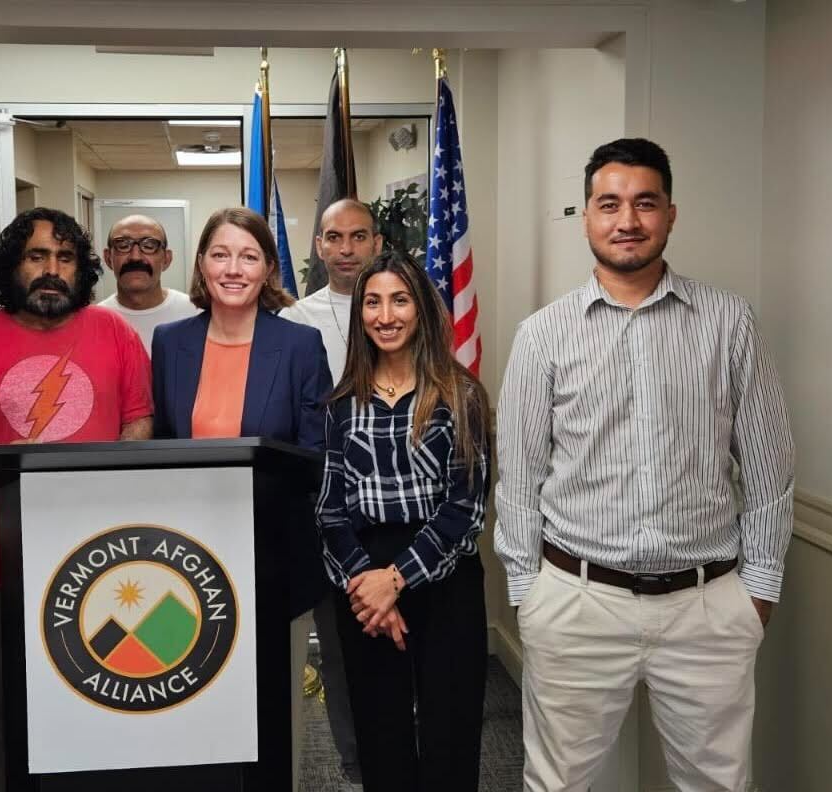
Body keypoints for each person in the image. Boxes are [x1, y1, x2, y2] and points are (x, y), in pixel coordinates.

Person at [494, 138, 794, 792]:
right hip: (575, 600)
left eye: (643, 203)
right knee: (557, 784)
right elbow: (517, 478)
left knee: (716, 783)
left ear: (670, 214)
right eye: (609, 204)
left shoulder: (728, 322)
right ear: (587, 217)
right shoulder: (541, 335)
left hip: (707, 605)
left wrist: (757, 592)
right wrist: (529, 594)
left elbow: (770, 471)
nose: (626, 220)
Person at [0, 207, 153, 792]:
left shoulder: (116, 334)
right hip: (3, 559)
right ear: (9, 266)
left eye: (66, 258)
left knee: (99, 691)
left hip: (102, 560)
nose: (52, 270)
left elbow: (139, 424)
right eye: (37, 256)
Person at [149, 206, 331, 791]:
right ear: (201, 264)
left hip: (273, 556)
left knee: (271, 705)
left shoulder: (300, 344)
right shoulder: (170, 341)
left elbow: (317, 456)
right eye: (221, 254)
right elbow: (161, 445)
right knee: (195, 694)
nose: (233, 268)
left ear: (268, 268)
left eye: (248, 256)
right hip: (188, 560)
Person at [316, 250, 490, 791]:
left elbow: (466, 508)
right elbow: (329, 509)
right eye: (372, 302)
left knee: (450, 732)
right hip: (362, 583)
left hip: (444, 580)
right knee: (380, 734)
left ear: (422, 311)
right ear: (359, 313)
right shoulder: (342, 403)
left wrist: (399, 580)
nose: (385, 315)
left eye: (399, 300)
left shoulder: (460, 396)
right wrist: (371, 587)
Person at [278, 197, 382, 788]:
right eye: (334, 238)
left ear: (376, 241)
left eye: (358, 236)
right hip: (326, 510)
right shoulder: (296, 321)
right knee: (341, 651)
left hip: (396, 511)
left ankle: (400, 755)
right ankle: (355, 766)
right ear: (318, 246)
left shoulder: (412, 310)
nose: (346, 249)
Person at [97, 213, 198, 352]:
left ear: (166, 259)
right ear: (108, 259)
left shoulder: (194, 314)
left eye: (149, 246)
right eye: (123, 245)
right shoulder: (96, 322)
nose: (135, 257)